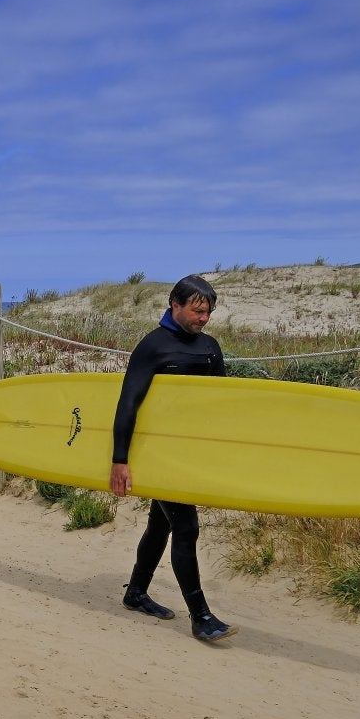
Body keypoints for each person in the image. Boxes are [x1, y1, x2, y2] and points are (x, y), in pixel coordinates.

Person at [109, 275, 237, 643]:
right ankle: (202, 617)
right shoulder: (152, 347)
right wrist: (121, 460)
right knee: (186, 527)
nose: (204, 319)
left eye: (209, 312)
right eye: (198, 311)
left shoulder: (210, 347)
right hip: (158, 454)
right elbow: (128, 403)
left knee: (160, 524)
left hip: (188, 453)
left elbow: (220, 406)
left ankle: (135, 592)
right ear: (175, 305)